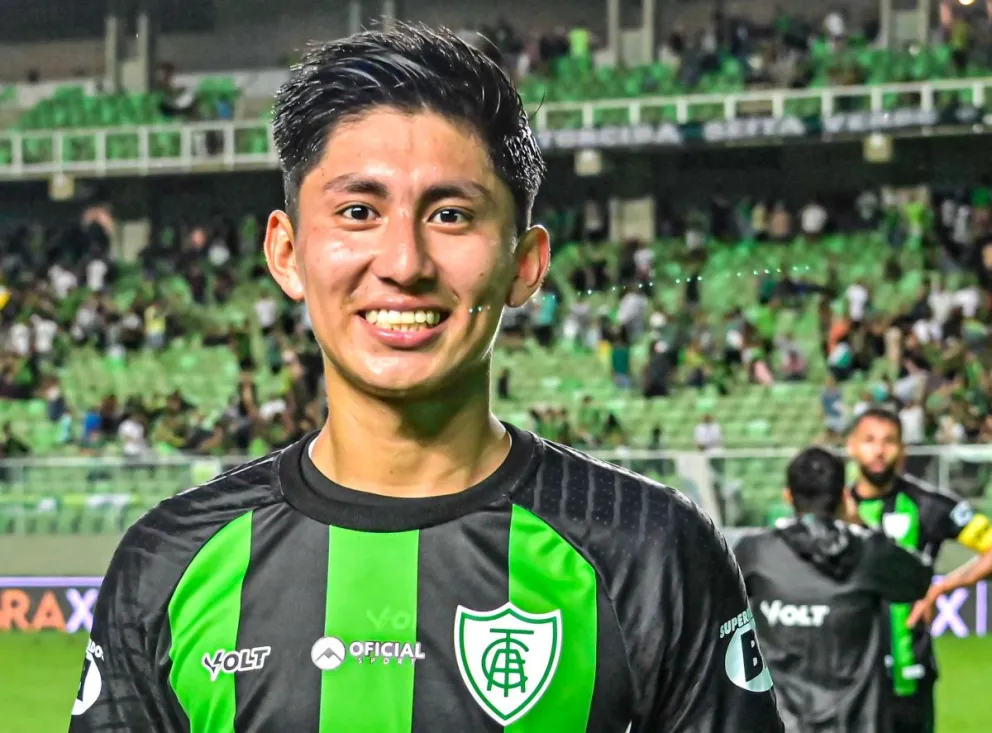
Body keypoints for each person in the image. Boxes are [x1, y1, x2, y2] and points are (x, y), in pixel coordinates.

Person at [68, 25, 783, 733]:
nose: (404, 262)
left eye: (450, 214)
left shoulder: (650, 550)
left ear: (525, 265)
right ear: (287, 253)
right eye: (358, 211)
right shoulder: (169, 562)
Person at [734, 446, 931, 732]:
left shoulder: (756, 553)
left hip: (781, 722)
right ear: (844, 496)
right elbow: (918, 580)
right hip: (858, 722)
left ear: (788, 495)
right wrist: (861, 523)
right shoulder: (869, 553)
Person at [847, 408, 992, 733]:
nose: (879, 450)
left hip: (910, 673)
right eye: (869, 440)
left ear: (902, 449)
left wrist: (941, 587)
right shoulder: (834, 508)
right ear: (852, 446)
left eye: (889, 441)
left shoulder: (928, 505)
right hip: (847, 680)